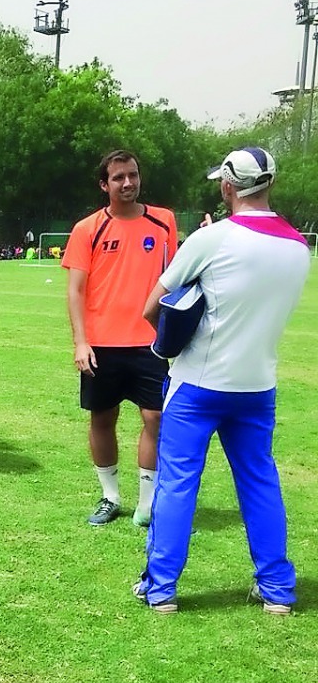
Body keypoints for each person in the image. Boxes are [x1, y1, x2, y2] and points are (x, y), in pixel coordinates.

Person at [134, 148, 310, 615]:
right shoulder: (298, 245)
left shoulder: (212, 240)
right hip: (257, 384)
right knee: (259, 481)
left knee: (177, 482)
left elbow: (153, 307)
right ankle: (276, 588)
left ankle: (161, 587)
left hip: (199, 383)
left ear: (228, 186)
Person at [63, 150, 178, 526]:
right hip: (102, 344)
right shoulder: (87, 229)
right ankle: (110, 496)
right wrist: (81, 342)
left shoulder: (164, 223)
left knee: (155, 417)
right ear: (104, 184)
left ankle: (147, 504)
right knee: (102, 417)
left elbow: (174, 280)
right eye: (118, 177)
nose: (127, 183)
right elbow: (75, 290)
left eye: (133, 175)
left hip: (149, 342)